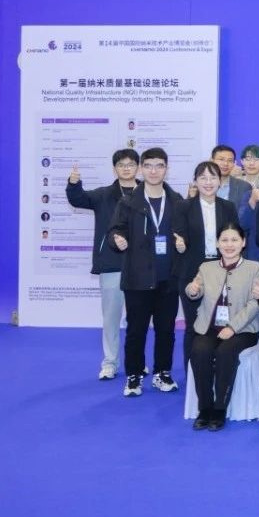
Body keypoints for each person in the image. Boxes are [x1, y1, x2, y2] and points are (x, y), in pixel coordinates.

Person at [109, 147, 183, 398]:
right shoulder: (129, 201)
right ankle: (134, 375)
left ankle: (162, 373)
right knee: (136, 330)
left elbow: (185, 233)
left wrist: (184, 243)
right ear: (141, 168)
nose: (153, 171)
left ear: (166, 169)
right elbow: (115, 230)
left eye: (159, 165)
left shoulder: (177, 201)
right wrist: (117, 239)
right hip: (137, 278)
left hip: (168, 278)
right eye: (148, 165)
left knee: (166, 330)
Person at [66, 148, 140, 380]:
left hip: (142, 266)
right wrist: (73, 183)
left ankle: (137, 363)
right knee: (111, 318)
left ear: (138, 167)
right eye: (121, 164)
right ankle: (110, 362)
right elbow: (78, 199)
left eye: (131, 164)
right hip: (112, 263)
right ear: (114, 168)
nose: (126, 168)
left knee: (139, 320)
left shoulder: (148, 192)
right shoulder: (104, 194)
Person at [184, 222, 259, 431]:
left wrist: (233, 327)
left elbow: (255, 303)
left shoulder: (254, 267)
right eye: (224, 240)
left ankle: (220, 408)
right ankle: (204, 408)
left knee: (226, 352)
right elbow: (195, 290)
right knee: (199, 351)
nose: (229, 245)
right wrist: (192, 290)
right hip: (210, 327)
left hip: (243, 329)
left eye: (234, 240)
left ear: (243, 242)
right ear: (217, 244)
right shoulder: (206, 267)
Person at [172, 161, 239, 370]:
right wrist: (180, 245)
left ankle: (218, 371)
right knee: (194, 325)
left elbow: (234, 239)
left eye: (212, 178)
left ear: (220, 181)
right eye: (203, 178)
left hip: (222, 272)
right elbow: (178, 235)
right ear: (195, 181)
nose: (208, 182)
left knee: (221, 323)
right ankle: (192, 374)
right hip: (192, 272)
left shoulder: (228, 207)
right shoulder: (183, 206)